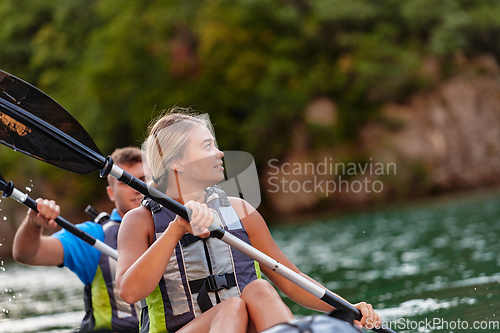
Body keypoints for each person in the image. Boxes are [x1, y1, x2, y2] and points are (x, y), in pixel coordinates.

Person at [115, 110, 382, 333]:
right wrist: (176, 229)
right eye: (207, 146)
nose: (220, 153)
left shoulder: (241, 210)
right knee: (232, 307)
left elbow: (291, 280)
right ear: (178, 162)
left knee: (259, 289)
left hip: (241, 325)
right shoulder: (140, 220)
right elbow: (129, 292)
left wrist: (348, 309)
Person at [13, 147, 149, 333]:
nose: (136, 188)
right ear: (110, 193)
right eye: (125, 182)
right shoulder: (94, 236)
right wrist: (32, 223)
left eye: (142, 180)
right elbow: (28, 254)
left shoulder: (174, 226)